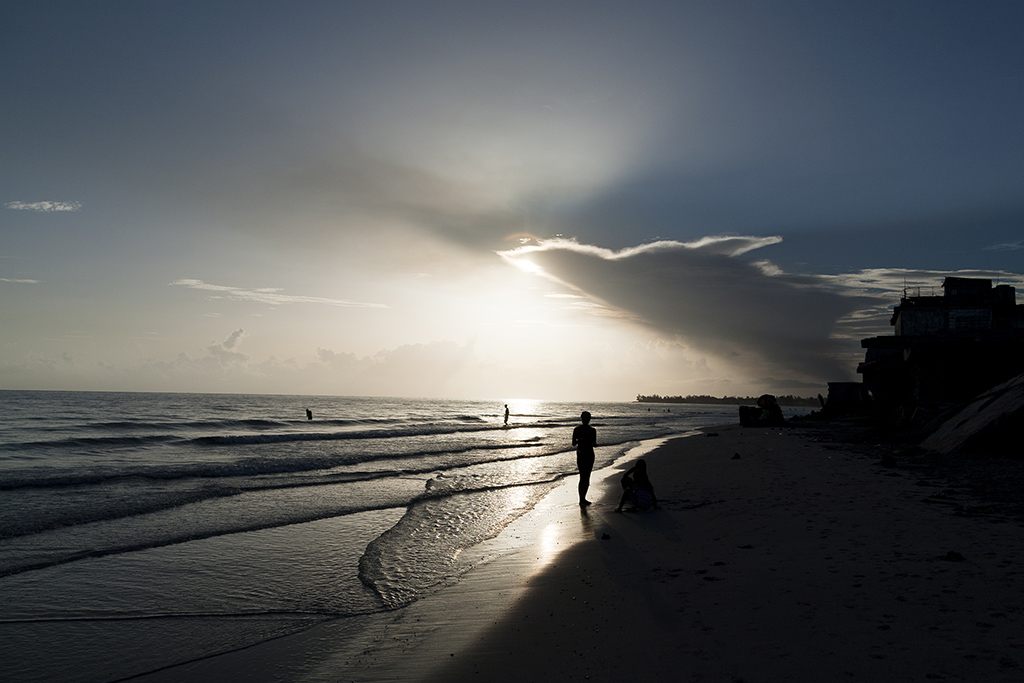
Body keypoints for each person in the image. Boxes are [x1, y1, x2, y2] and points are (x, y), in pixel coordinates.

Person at [571, 410, 596, 506]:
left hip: (584, 454)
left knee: (584, 477)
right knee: (584, 477)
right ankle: (582, 499)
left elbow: (574, 443)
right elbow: (594, 444)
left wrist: (581, 440)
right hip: (586, 454)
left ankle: (583, 499)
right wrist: (584, 440)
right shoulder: (591, 430)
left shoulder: (577, 430)